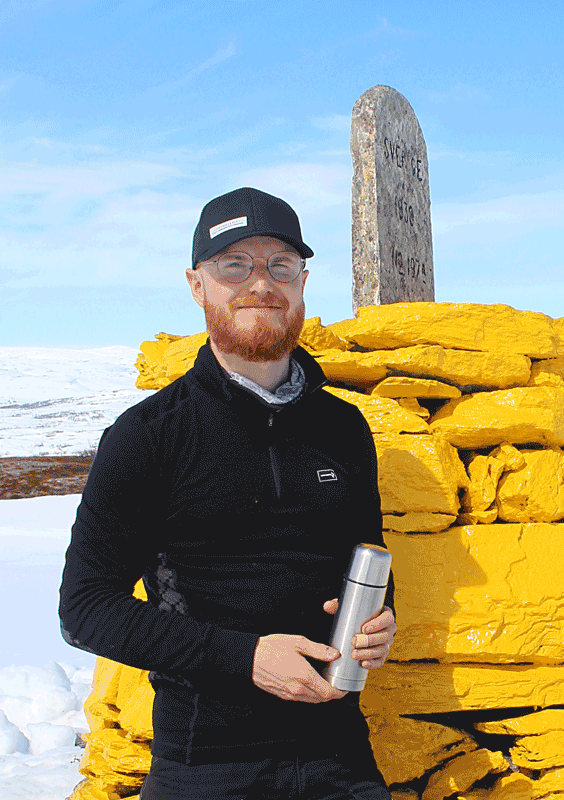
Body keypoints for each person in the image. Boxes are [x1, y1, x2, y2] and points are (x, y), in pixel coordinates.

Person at [59, 187, 396, 800]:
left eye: (279, 265)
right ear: (197, 286)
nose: (260, 284)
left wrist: (380, 618)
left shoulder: (344, 428)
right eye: (233, 265)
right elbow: (84, 610)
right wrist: (244, 658)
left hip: (339, 756)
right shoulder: (148, 436)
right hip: (204, 764)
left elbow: (366, 558)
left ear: (302, 281)